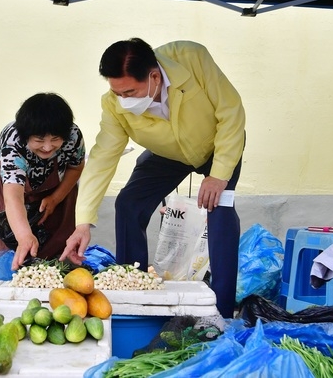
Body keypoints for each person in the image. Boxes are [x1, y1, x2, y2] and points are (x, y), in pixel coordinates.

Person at [60, 38, 246, 318]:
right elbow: (102, 158)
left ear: (155, 77)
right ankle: (131, 289)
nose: (123, 100)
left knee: (219, 210)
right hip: (166, 154)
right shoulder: (113, 104)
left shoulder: (191, 57)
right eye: (117, 92)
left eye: (130, 91)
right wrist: (83, 222)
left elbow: (231, 112)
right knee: (128, 203)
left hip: (218, 146)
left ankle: (220, 311)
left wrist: (219, 175)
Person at [0, 92, 85, 271]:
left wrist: (56, 198)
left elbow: (75, 168)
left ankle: (57, 269)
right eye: (39, 140)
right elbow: (13, 196)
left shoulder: (73, 136)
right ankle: (14, 265)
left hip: (57, 182)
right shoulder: (13, 142)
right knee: (12, 234)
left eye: (55, 139)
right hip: (16, 188)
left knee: (57, 230)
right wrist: (24, 236)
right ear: (27, 136)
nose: (48, 147)